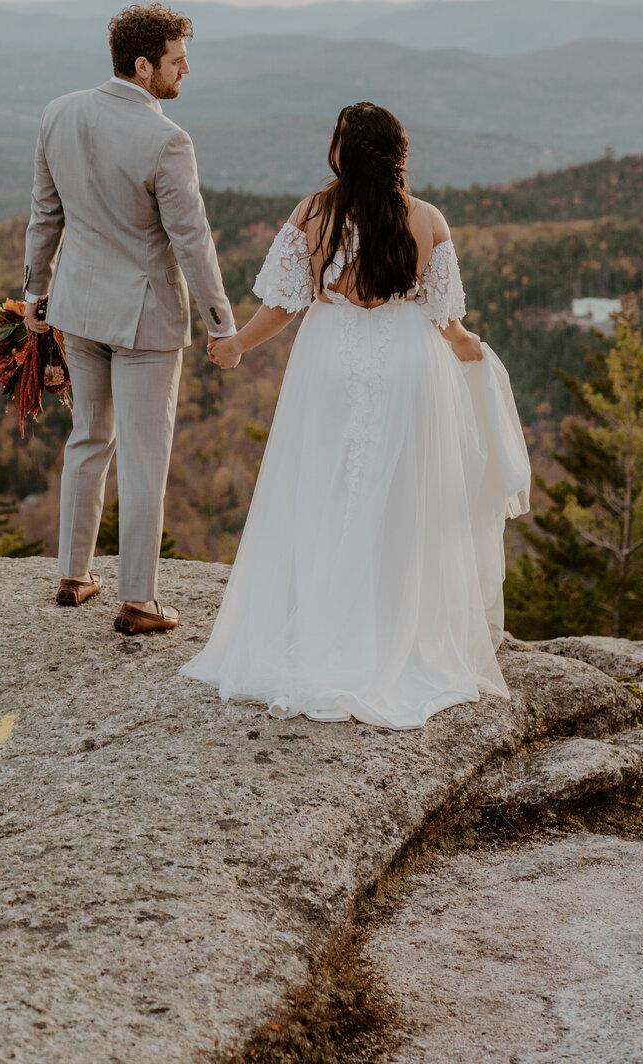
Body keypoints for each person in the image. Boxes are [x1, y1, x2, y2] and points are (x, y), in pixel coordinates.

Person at [181, 101, 531, 728]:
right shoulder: (426, 220)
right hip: (405, 365)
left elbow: (284, 306)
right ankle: (394, 630)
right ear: (397, 152)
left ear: (343, 151)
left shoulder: (313, 213)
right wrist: (470, 352)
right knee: (400, 495)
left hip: (329, 361)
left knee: (323, 487)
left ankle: (319, 623)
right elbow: (446, 320)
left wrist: (235, 346)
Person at [23, 2, 235, 635]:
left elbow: (44, 214)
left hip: (76, 307)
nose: (185, 69)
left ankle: (73, 574)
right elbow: (191, 240)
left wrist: (34, 293)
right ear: (144, 66)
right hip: (143, 319)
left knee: (87, 439)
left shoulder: (58, 112)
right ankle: (139, 600)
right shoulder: (167, 139)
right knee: (145, 458)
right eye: (176, 60)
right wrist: (221, 325)